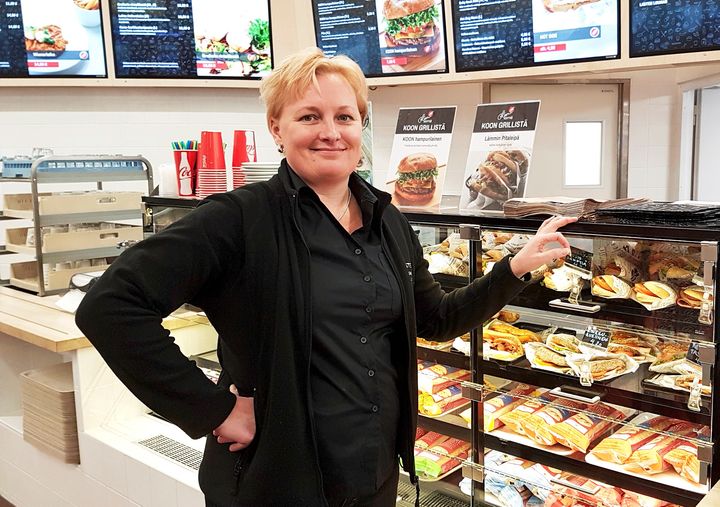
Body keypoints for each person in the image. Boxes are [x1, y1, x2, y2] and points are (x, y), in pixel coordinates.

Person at [75, 47, 575, 507]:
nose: (330, 132)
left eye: (345, 116)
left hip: (374, 476)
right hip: (276, 483)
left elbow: (437, 319)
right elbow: (110, 306)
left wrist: (515, 267)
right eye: (309, 116)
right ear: (277, 128)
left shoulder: (388, 220)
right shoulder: (239, 219)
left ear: (362, 127)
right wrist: (211, 409)